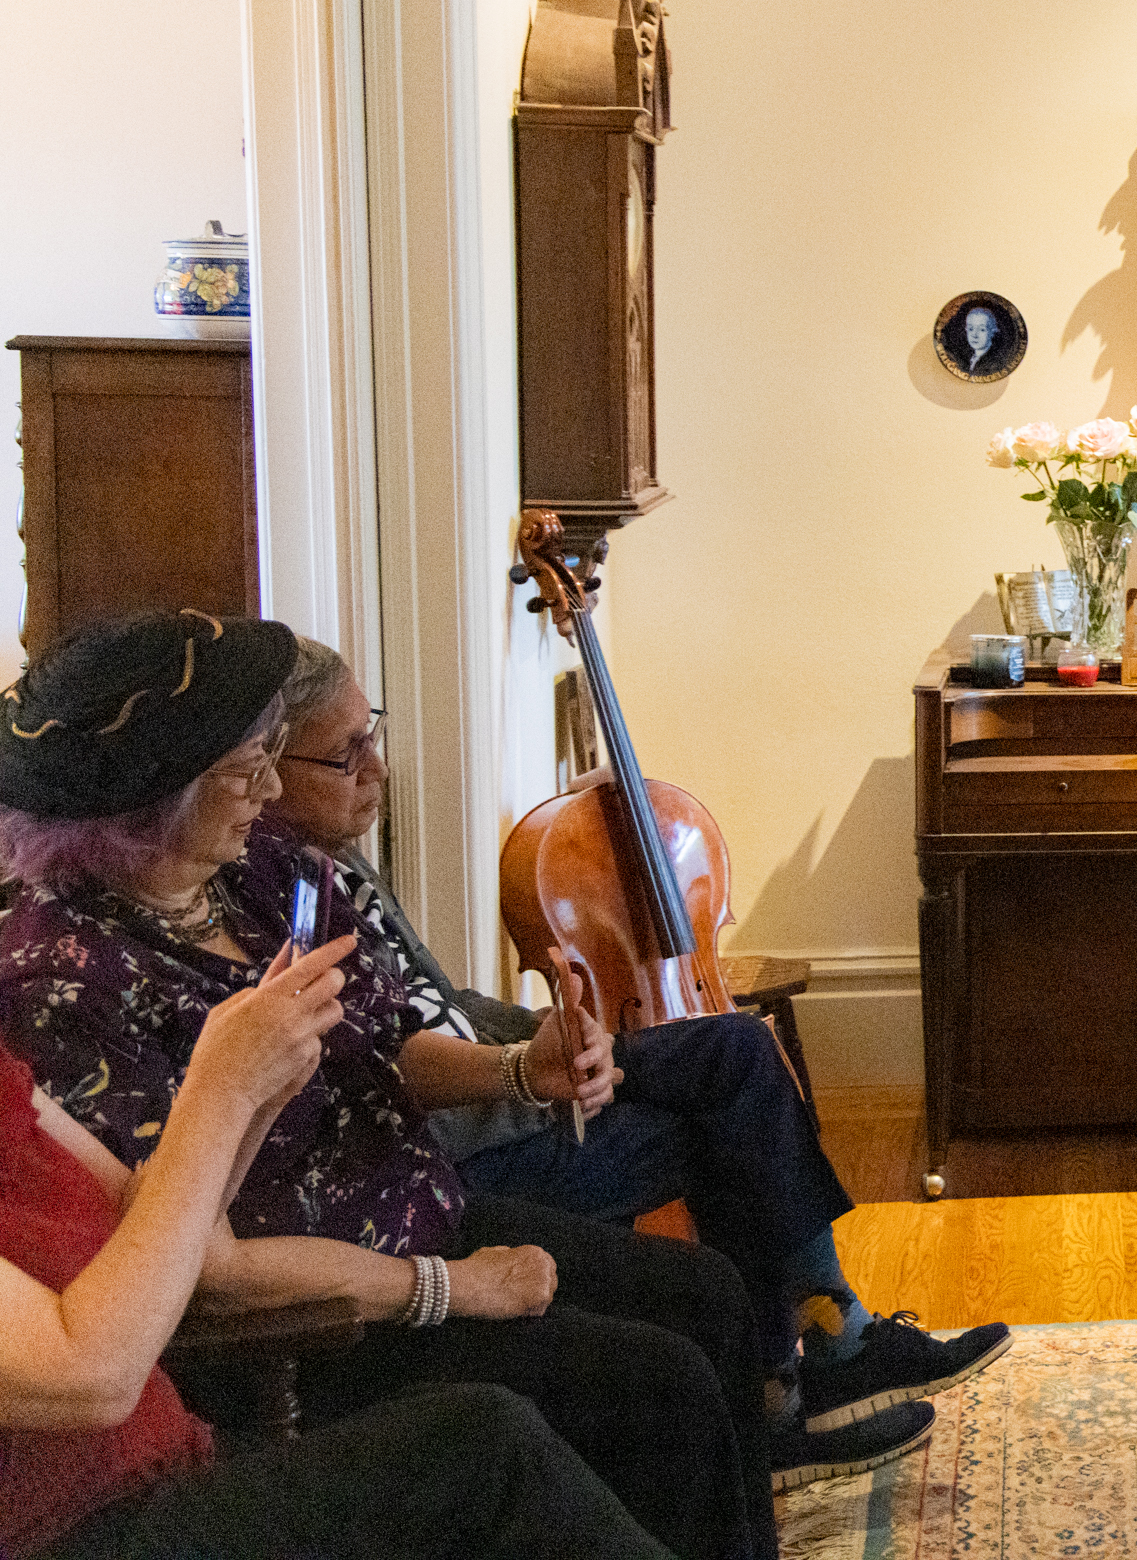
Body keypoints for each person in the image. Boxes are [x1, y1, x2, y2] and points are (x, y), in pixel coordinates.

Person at [0, 610, 899, 1558]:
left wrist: (522, 1067)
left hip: (416, 1205)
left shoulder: (254, 871)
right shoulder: (58, 978)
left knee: (705, 1290)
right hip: (326, 1307)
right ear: (149, 798)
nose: (267, 787)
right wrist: (447, 1287)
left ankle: (783, 1432)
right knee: (654, 1381)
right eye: (241, 767)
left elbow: (387, 1034)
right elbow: (204, 1267)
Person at [258, 637, 1010, 1438]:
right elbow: (380, 1065)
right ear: (268, 767)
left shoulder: (338, 863)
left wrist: (544, 1027)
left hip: (516, 1085)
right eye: (347, 755)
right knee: (736, 1082)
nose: (376, 768)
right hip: (470, 1153)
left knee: (735, 1054)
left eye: (371, 734)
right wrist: (521, 1066)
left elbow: (441, 1001)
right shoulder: (281, 899)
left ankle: (796, 1377)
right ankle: (818, 1357)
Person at [4, 920, 674, 1559]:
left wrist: (262, 1090)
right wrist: (224, 1088)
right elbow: (92, 1375)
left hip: (173, 1462)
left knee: (520, 1422)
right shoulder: (52, 968)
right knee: (491, 1448)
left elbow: (171, 1226)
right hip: (82, 1529)